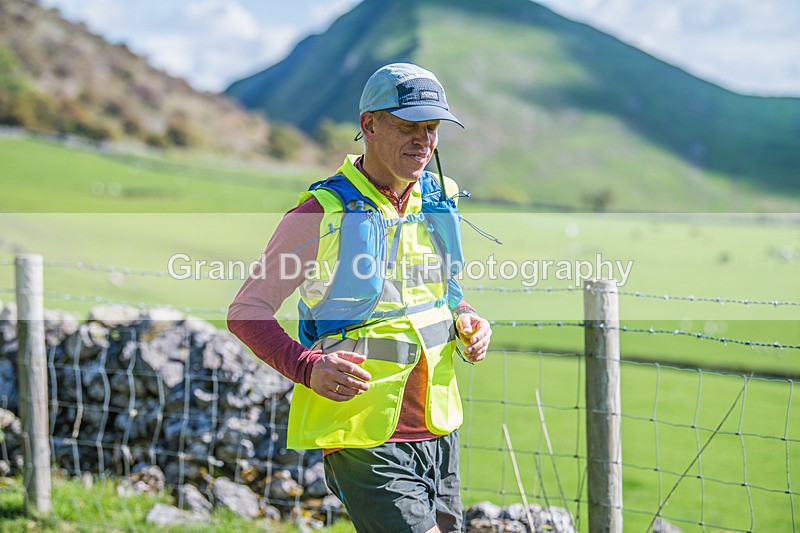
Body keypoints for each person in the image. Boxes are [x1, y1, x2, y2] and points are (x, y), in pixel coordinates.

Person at [228, 62, 492, 533]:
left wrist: (469, 320)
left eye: (432, 128)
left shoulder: (439, 201)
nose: (424, 141)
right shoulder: (317, 214)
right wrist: (308, 367)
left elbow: (446, 295)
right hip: (362, 432)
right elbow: (247, 312)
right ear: (370, 124)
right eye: (409, 125)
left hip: (439, 425)